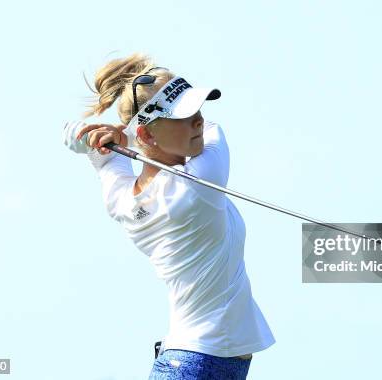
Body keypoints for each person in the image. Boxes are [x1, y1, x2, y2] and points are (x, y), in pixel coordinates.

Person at [62, 53, 275, 379]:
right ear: (146, 136)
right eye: (184, 116)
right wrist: (125, 135)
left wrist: (108, 137)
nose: (199, 121)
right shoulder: (200, 181)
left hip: (190, 359)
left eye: (197, 110)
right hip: (200, 363)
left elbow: (84, 142)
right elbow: (218, 130)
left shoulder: (121, 198)